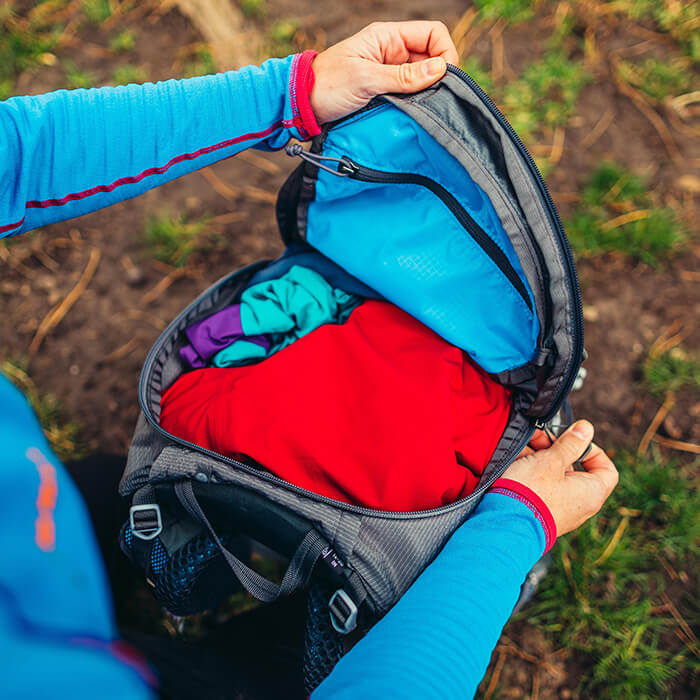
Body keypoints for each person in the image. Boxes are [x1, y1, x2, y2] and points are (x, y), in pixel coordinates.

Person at [0, 20, 618, 699]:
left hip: (35, 534)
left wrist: (292, 95)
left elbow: (18, 154)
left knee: (101, 489)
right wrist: (514, 525)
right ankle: (319, 621)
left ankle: (180, 541)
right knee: (286, 665)